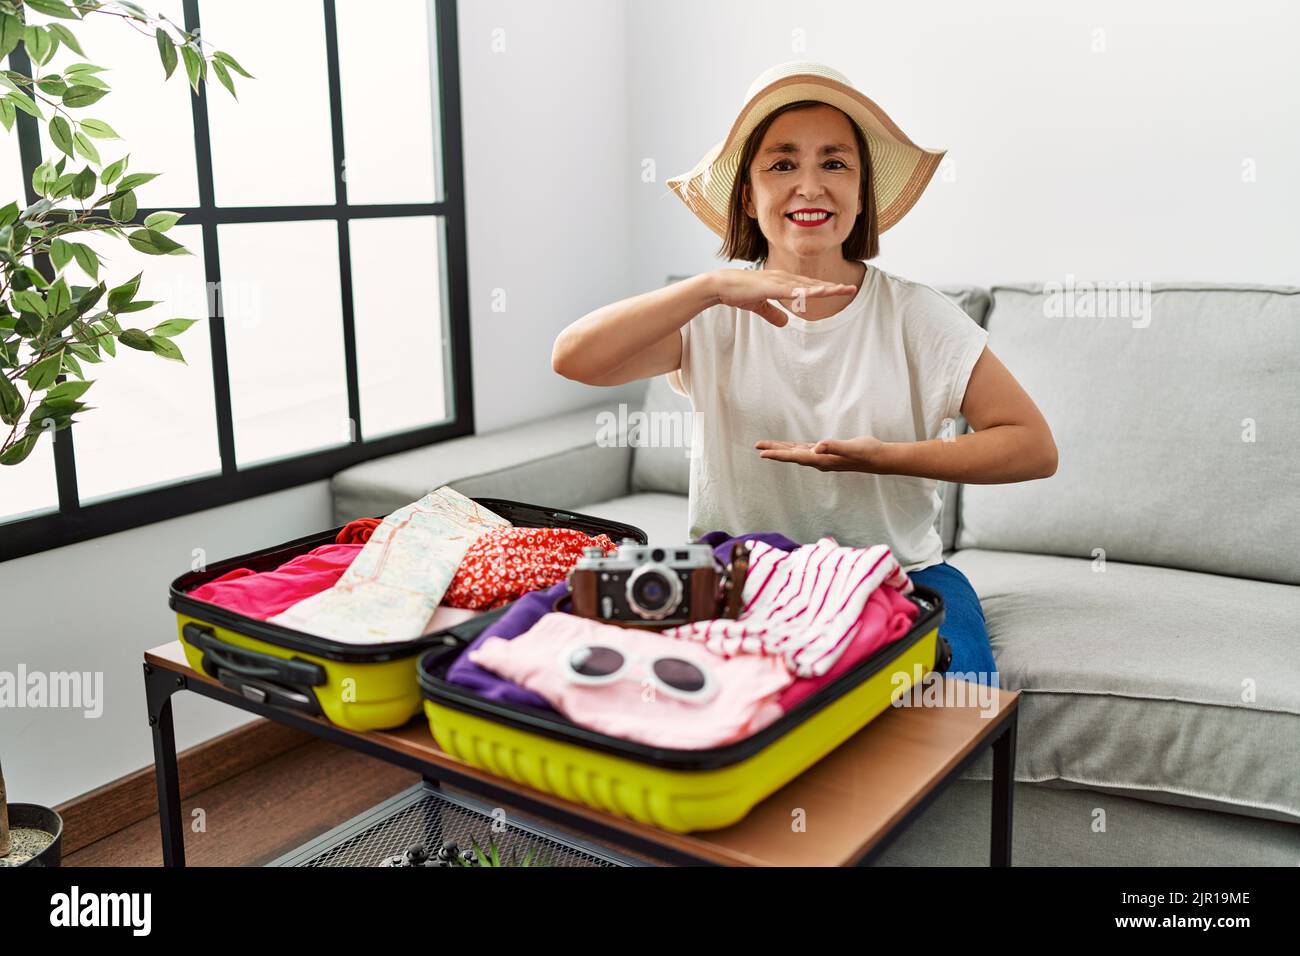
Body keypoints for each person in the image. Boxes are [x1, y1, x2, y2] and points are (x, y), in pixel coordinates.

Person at [552, 63, 1058, 688]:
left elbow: (1033, 446)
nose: (810, 186)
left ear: (862, 192)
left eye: (835, 164)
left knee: (951, 704)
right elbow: (573, 357)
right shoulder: (712, 312)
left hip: (901, 576)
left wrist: (886, 458)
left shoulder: (916, 314)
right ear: (748, 194)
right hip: (739, 573)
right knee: (652, 691)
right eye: (783, 164)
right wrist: (711, 286)